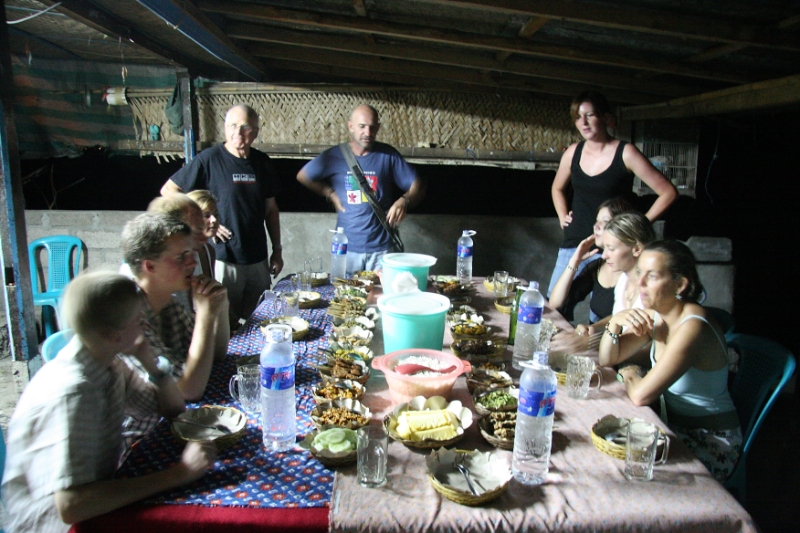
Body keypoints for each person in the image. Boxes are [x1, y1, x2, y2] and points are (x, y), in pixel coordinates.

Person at [1, 271, 217, 533]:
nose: (146, 328)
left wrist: (149, 361)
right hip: (56, 526)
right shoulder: (74, 392)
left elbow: (173, 411)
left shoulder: (107, 360)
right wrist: (179, 473)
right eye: (139, 321)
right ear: (113, 335)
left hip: (96, 500)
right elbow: (71, 506)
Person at [598, 240, 741, 481]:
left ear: (680, 284)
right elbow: (607, 358)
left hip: (710, 440)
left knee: (622, 472)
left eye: (651, 276)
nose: (640, 283)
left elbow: (641, 395)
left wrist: (631, 374)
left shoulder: (693, 325)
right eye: (639, 273)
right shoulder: (658, 314)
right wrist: (615, 323)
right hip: (670, 427)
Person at [161, 104, 283, 325]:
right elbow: (169, 191)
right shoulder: (208, 160)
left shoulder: (262, 162)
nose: (238, 132)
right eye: (232, 126)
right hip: (225, 258)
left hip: (258, 258)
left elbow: (271, 209)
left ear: (255, 131)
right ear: (225, 128)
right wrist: (205, 223)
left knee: (263, 320)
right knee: (226, 322)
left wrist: (277, 250)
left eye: (245, 127)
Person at [548, 90, 677, 297]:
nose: (584, 122)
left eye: (590, 115)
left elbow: (668, 192)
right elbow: (557, 188)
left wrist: (638, 225)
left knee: (602, 313)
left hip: (613, 247)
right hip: (576, 242)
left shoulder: (626, 153)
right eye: (579, 117)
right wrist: (563, 216)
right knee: (554, 307)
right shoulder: (573, 152)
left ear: (605, 118)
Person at [296, 104, 426, 274]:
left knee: (380, 297)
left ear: (378, 128)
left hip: (382, 248)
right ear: (351, 126)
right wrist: (330, 193)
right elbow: (303, 176)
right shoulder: (334, 155)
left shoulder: (388, 155)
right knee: (346, 297)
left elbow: (418, 184)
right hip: (346, 248)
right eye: (362, 126)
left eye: (372, 127)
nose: (368, 132)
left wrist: (405, 200)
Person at [120, 213, 229, 410]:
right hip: (140, 435)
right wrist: (205, 315)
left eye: (191, 254)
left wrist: (220, 306)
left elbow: (216, 356)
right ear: (150, 266)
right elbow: (188, 391)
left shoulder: (167, 302)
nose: (192, 263)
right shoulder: (128, 317)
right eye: (181, 257)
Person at [548, 197, 632, 322]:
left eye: (605, 221)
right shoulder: (598, 266)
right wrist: (574, 261)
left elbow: (623, 319)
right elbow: (555, 303)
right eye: (596, 220)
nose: (596, 226)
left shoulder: (632, 271)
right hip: (596, 338)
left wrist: (590, 332)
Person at [186, 189, 220, 279]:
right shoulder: (181, 254)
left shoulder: (209, 250)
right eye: (206, 215)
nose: (214, 220)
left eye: (216, 214)